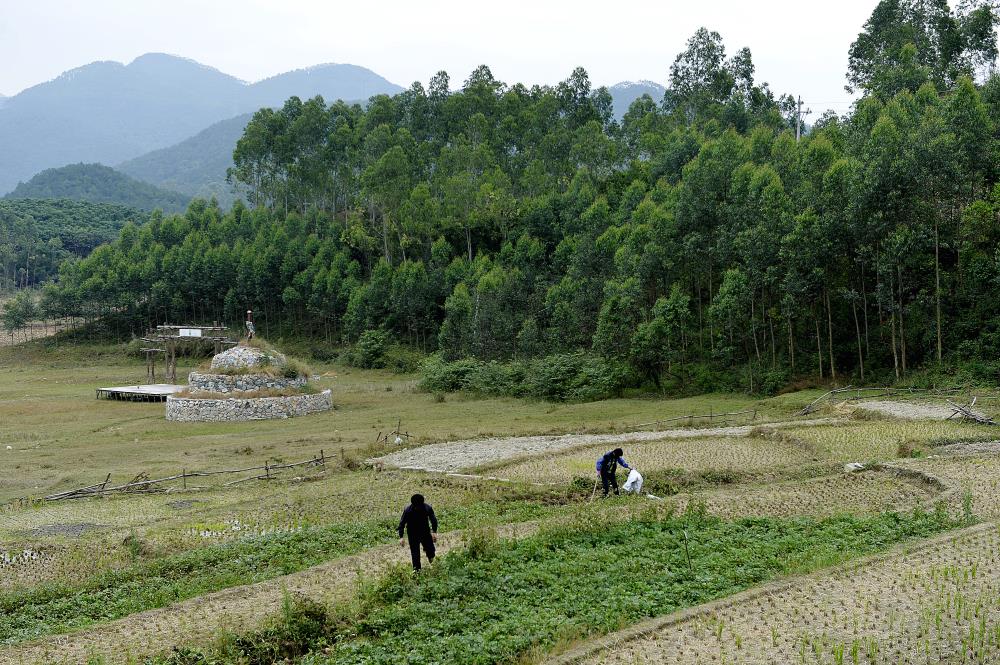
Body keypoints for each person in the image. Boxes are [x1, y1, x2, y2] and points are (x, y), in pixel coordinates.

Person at [398, 493, 438, 571]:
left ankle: (433, 566)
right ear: (413, 504)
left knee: (430, 550)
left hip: (425, 532)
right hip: (412, 534)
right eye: (416, 506)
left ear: (422, 503)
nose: (418, 507)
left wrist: (434, 532)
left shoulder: (427, 508)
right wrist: (401, 537)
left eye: (420, 506)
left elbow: (434, 520)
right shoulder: (408, 510)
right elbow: (402, 523)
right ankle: (417, 572)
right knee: (415, 554)